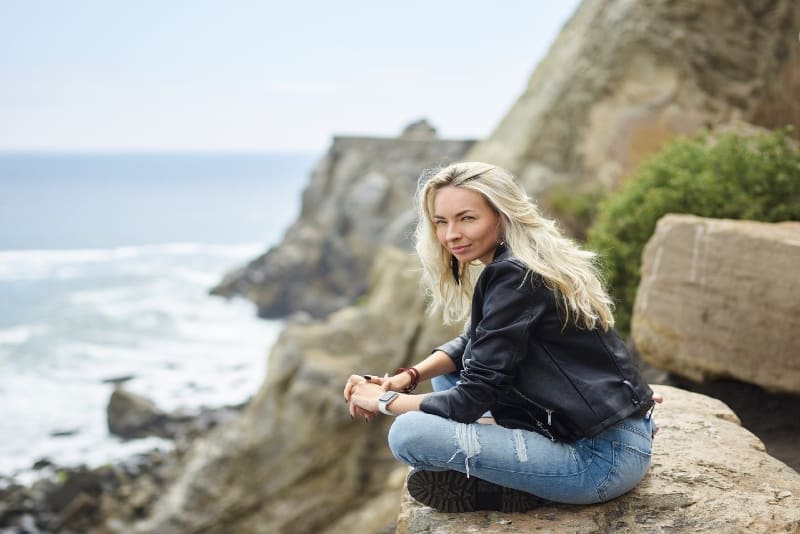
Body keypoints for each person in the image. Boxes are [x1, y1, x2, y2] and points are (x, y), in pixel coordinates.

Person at [343, 161, 661, 513]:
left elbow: (469, 401)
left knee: (408, 434)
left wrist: (384, 402)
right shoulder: (528, 259)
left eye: (467, 218)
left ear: (501, 215)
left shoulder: (515, 276)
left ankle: (518, 488)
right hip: (615, 436)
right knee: (453, 371)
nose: (451, 235)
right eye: (441, 221)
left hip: (600, 463)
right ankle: (525, 474)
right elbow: (472, 344)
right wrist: (405, 379)